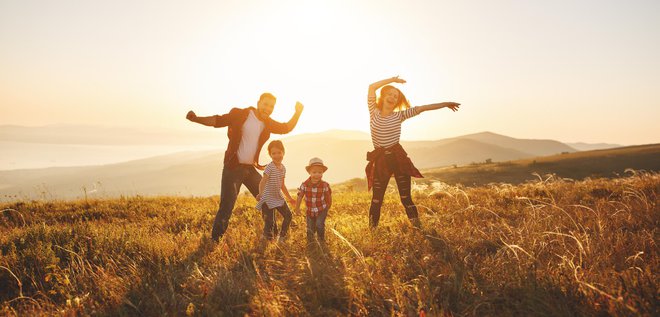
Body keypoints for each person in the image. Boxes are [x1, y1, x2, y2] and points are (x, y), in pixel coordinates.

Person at [186, 93, 304, 242]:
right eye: (265, 104)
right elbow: (218, 120)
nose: (268, 108)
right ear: (258, 103)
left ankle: (269, 235)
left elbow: (286, 127)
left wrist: (298, 112)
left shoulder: (267, 122)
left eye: (271, 106)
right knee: (227, 206)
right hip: (233, 167)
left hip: (250, 169)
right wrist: (196, 119)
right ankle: (215, 240)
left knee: (267, 200)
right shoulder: (241, 114)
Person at [365, 76, 460, 228]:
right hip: (381, 160)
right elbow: (371, 87)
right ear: (383, 96)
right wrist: (392, 80)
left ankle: (418, 227)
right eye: (389, 94)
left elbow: (422, 108)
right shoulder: (373, 112)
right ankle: (372, 230)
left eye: (395, 96)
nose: (392, 97)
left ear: (397, 101)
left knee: (405, 197)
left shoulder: (400, 115)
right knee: (377, 199)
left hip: (398, 159)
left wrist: (445, 104)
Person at [256, 140, 295, 242]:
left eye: (279, 152)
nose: (277, 155)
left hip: (278, 196)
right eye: (273, 153)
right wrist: (260, 193)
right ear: (270, 154)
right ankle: (264, 241)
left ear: (283, 152)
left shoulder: (283, 168)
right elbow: (262, 181)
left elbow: (282, 185)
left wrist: (289, 198)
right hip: (267, 198)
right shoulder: (270, 167)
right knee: (269, 222)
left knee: (288, 216)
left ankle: (282, 237)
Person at [295, 157, 332, 244]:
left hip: (321, 209)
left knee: (319, 224)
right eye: (314, 172)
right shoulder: (304, 185)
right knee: (310, 228)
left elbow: (328, 196)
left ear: (322, 173)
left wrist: (328, 206)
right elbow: (300, 196)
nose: (317, 175)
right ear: (309, 172)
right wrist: (297, 208)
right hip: (310, 210)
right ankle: (310, 243)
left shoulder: (325, 185)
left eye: (320, 172)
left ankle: (321, 240)